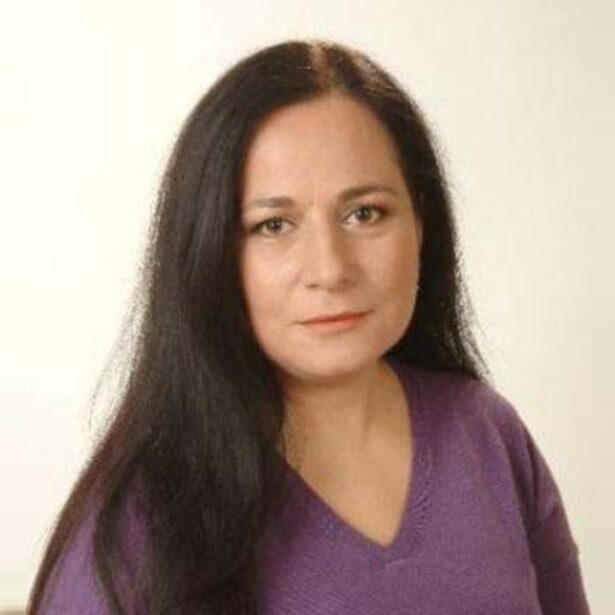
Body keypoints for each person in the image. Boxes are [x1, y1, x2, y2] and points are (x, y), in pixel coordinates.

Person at [28, 39, 591, 614]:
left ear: (420, 223)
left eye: (365, 213)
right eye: (273, 225)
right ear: (208, 252)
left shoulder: (487, 433)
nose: (330, 269)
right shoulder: (139, 519)